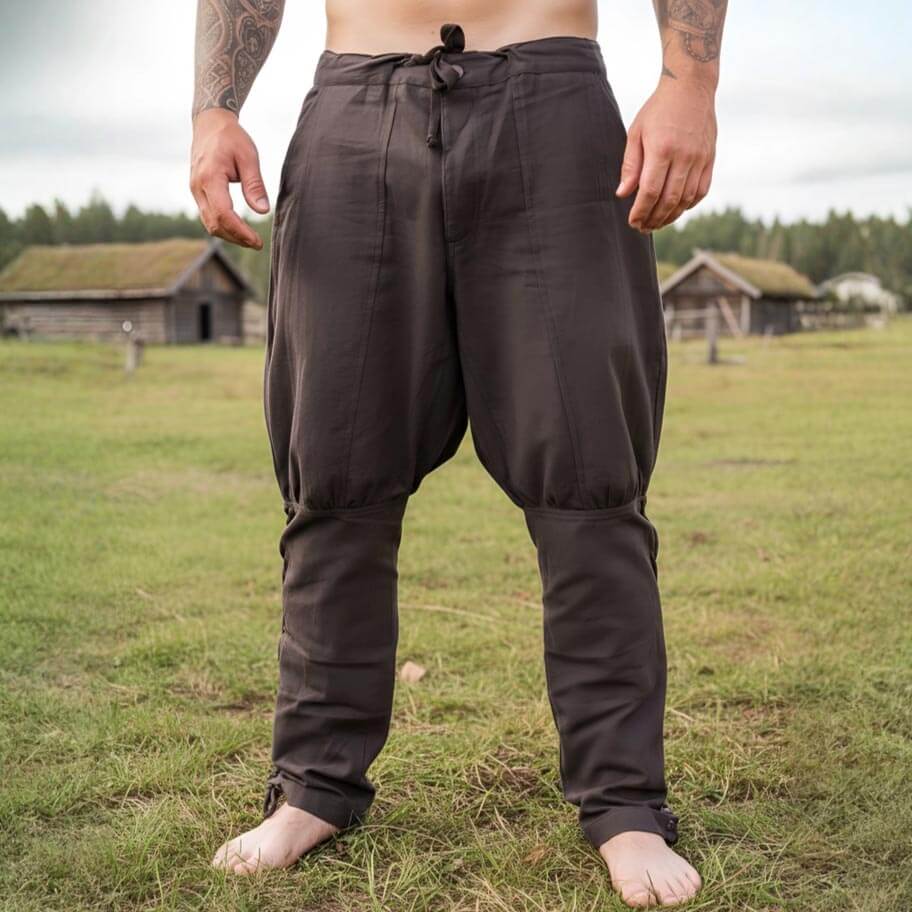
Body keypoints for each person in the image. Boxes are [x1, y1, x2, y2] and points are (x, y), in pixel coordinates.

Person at [190, 1, 725, 906]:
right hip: (354, 107)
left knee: (588, 470)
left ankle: (625, 803)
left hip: (551, 95)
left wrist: (691, 82)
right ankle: (315, 785)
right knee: (335, 470)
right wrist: (214, 108)